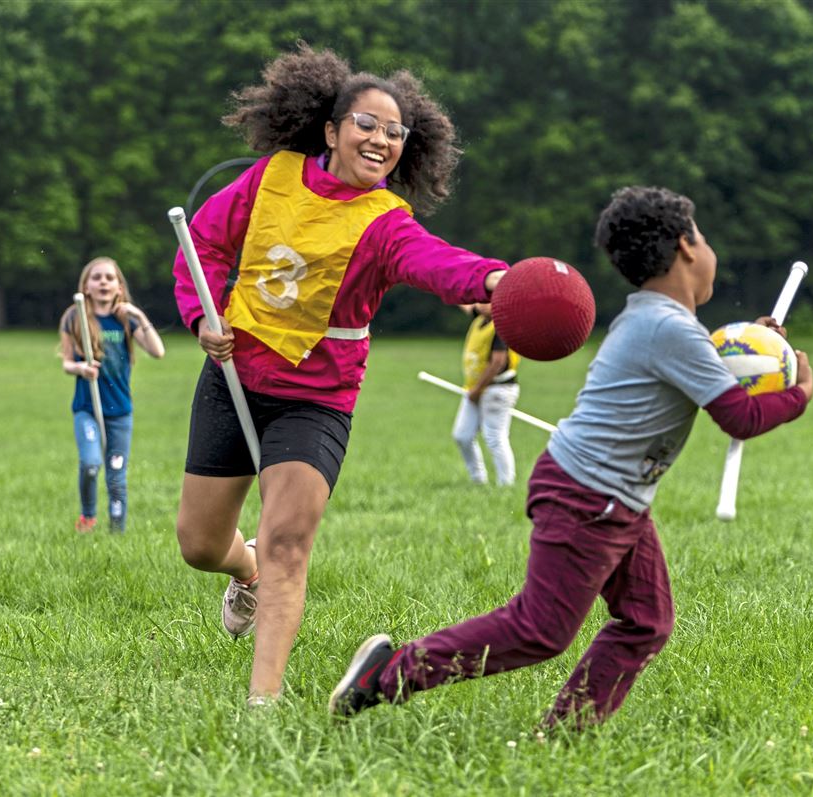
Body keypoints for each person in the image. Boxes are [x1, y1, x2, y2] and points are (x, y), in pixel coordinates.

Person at [330, 186, 813, 728]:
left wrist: (755, 345)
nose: (709, 251)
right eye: (703, 238)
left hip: (612, 497)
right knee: (539, 630)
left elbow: (708, 365)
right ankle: (390, 673)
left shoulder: (651, 319)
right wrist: (799, 392)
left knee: (644, 622)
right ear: (685, 247)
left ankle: (566, 732)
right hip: (590, 498)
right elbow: (740, 416)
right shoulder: (670, 330)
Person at [172, 43, 509, 706]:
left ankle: (260, 706)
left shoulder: (385, 222)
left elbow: (437, 263)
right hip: (233, 376)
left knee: (288, 542)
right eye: (366, 124)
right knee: (200, 543)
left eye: (394, 131)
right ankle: (244, 574)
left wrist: (496, 278)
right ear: (331, 130)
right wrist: (200, 315)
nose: (380, 138)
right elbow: (205, 243)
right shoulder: (272, 177)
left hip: (315, 398)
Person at [60, 257, 164, 533]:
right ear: (87, 285)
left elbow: (157, 351)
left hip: (119, 410)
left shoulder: (126, 319)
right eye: (97, 277)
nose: (103, 282)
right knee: (92, 464)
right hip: (87, 409)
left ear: (119, 286)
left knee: (116, 475)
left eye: (109, 278)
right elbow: (66, 362)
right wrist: (81, 368)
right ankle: (88, 516)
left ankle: (117, 531)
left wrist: (139, 316)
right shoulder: (75, 316)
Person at [453, 302, 521, 486]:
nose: (480, 304)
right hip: (474, 388)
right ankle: (478, 480)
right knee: (462, 435)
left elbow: (498, 361)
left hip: (497, 389)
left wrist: (478, 389)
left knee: (495, 437)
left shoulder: (501, 326)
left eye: (486, 301)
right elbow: (465, 304)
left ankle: (505, 484)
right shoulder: (481, 317)